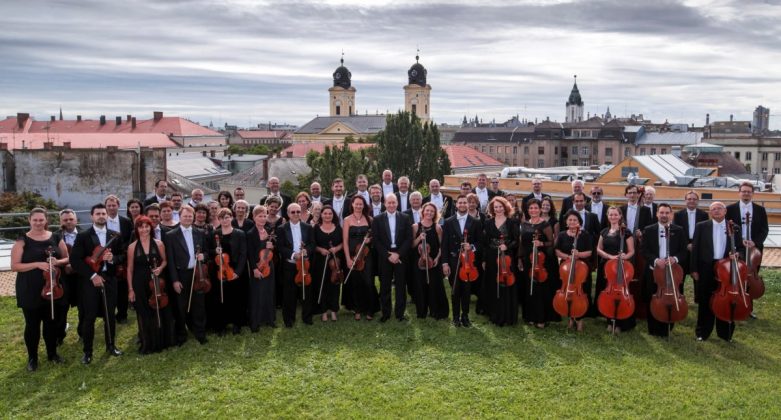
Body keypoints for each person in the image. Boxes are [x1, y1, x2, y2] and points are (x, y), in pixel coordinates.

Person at [11, 208, 70, 371]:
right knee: (32, 325)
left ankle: (52, 354)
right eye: (35, 220)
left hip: (53, 286)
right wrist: (37, 264)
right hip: (30, 287)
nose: (38, 223)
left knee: (51, 322)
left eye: (41, 220)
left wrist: (57, 262)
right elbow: (15, 266)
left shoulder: (56, 237)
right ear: (29, 221)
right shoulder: (22, 240)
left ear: (46, 221)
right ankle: (32, 358)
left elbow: (66, 258)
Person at [69, 203, 125, 364]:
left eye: (103, 213)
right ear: (92, 216)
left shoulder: (115, 235)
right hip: (90, 281)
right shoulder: (83, 236)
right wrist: (93, 275)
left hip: (110, 278)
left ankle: (111, 346)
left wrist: (113, 259)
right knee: (89, 317)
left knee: (110, 315)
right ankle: (88, 352)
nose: (101, 216)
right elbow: (75, 260)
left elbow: (122, 255)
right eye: (98, 213)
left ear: (107, 215)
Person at [692, 202, 745, 342]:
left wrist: (737, 254)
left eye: (719, 208)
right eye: (713, 209)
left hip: (726, 269)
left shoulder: (734, 227)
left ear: (725, 211)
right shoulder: (701, 226)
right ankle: (702, 332)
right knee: (705, 300)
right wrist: (694, 269)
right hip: (706, 268)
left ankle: (725, 334)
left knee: (727, 301)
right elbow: (695, 250)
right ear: (710, 212)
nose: (716, 211)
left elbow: (741, 248)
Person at [126, 215, 175, 353]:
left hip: (157, 281)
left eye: (147, 226)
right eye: (141, 227)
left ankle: (163, 341)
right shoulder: (132, 247)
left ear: (151, 228)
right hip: (139, 283)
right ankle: (148, 342)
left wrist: (160, 268)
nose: (144, 229)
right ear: (137, 229)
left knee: (161, 309)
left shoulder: (159, 243)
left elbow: (165, 260)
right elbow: (130, 269)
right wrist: (130, 289)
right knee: (144, 313)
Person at [165, 206, 210, 345]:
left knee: (199, 305)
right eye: (185, 216)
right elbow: (170, 261)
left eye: (190, 216)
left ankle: (200, 332)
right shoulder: (171, 235)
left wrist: (204, 256)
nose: (188, 218)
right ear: (180, 216)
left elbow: (207, 252)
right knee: (180, 306)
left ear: (194, 217)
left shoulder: (200, 232)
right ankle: (181, 334)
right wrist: (175, 280)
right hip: (181, 274)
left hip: (197, 273)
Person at [641, 203, 686, 337]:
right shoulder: (649, 229)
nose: (664, 215)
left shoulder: (679, 230)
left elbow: (684, 251)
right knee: (652, 298)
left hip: (672, 272)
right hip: (653, 271)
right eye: (661, 212)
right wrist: (655, 260)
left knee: (670, 299)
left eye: (667, 213)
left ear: (671, 214)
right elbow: (644, 250)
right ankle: (653, 328)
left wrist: (675, 259)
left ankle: (668, 326)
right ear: (657, 214)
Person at [441, 195, 482, 327]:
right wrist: (445, 263)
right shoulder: (448, 221)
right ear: (456, 205)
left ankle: (465, 316)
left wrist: (472, 247)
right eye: (461, 202)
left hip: (468, 262)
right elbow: (444, 244)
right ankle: (455, 317)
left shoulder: (475, 222)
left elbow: (480, 242)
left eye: (466, 202)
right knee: (455, 289)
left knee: (466, 289)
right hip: (453, 260)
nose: (463, 204)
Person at [372, 194, 412, 322]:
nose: (391, 205)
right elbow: (376, 240)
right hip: (385, 256)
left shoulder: (405, 218)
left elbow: (408, 238)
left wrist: (398, 254)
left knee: (401, 285)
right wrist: (388, 255)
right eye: (389, 203)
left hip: (401, 256)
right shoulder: (377, 219)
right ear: (385, 203)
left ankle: (400, 314)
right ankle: (386, 313)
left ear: (397, 203)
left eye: (393, 202)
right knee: (385, 286)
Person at [595, 206, 636, 333]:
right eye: (610, 215)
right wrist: (609, 257)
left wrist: (624, 257)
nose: (613, 217)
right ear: (608, 216)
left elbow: (631, 251)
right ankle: (609, 319)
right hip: (606, 266)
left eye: (615, 215)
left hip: (620, 267)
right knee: (607, 294)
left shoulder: (626, 232)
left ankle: (620, 323)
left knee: (619, 293)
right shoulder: (604, 231)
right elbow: (598, 249)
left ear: (620, 216)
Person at [275, 203, 315, 327]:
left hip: (305, 264)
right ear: (288, 214)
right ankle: (289, 320)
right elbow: (280, 247)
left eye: (298, 212)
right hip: (290, 265)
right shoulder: (281, 228)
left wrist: (306, 251)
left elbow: (312, 244)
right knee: (289, 294)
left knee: (307, 292)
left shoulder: (308, 227)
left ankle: (307, 318)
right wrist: (293, 255)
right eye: (293, 212)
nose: (296, 214)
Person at [481, 196, 519, 326]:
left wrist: (507, 246)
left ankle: (506, 313)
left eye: (500, 206)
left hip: (506, 257)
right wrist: (484, 259)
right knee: (493, 283)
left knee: (506, 284)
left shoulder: (512, 222)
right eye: (495, 207)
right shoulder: (487, 222)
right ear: (492, 209)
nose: (498, 209)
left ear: (505, 207)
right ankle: (494, 312)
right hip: (492, 256)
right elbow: (485, 243)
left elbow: (516, 240)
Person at [554, 210, 593, 331]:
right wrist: (568, 257)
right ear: (566, 222)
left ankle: (580, 319)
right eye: (570, 220)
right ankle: (571, 318)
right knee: (568, 292)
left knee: (581, 293)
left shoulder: (585, 235)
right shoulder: (561, 235)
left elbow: (590, 252)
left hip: (582, 269)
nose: (572, 222)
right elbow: (557, 250)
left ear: (579, 222)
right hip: (566, 267)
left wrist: (579, 254)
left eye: (575, 220)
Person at [518, 199, 554, 328]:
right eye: (531, 208)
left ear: (540, 209)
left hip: (540, 261)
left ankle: (541, 318)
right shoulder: (525, 224)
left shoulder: (545, 225)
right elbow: (521, 243)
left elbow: (552, 242)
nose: (533, 210)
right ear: (528, 210)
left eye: (535, 208)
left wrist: (542, 243)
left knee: (540, 290)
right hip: (528, 260)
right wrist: (519, 258)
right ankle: (530, 317)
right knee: (529, 288)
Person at [343, 195, 379, 320]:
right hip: (353, 256)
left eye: (360, 204)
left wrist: (370, 239)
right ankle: (357, 308)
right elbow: (345, 241)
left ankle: (370, 308)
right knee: (355, 283)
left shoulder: (370, 219)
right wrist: (347, 258)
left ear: (364, 205)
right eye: (356, 204)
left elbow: (375, 237)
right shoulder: (347, 220)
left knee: (368, 282)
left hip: (366, 255)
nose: (358, 206)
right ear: (352, 205)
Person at [213, 208, 247, 335]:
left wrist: (237, 272)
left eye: (227, 217)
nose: (225, 220)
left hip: (236, 270)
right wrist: (215, 252)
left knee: (236, 298)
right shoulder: (215, 234)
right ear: (219, 219)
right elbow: (211, 252)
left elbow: (243, 254)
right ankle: (222, 325)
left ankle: (237, 324)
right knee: (222, 299)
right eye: (222, 218)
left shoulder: (239, 233)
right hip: (221, 271)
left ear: (231, 218)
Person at [411, 203, 446, 320]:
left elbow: (442, 247)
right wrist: (418, 238)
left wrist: (437, 259)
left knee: (434, 286)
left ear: (435, 214)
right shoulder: (415, 227)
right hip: (419, 262)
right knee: (420, 286)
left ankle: (435, 311)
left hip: (433, 262)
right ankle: (422, 311)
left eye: (432, 211)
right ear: (423, 211)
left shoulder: (438, 228)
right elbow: (411, 245)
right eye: (427, 211)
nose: (429, 213)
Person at [673, 191, 709, 301]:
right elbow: (677, 232)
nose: (691, 201)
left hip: (698, 246)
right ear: (685, 201)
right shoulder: (678, 215)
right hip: (683, 247)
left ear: (697, 201)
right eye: (689, 199)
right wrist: (686, 244)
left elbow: (705, 232)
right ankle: (680, 297)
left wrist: (695, 244)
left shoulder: (704, 215)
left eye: (694, 199)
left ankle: (698, 298)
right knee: (681, 273)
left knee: (697, 273)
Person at [246, 205, 277, 330]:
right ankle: (255, 322)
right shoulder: (250, 233)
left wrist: (272, 246)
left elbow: (274, 249)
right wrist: (254, 269)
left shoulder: (269, 231)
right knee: (257, 294)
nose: (263, 218)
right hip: (257, 267)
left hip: (269, 266)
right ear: (254, 217)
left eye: (264, 216)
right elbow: (249, 253)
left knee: (269, 293)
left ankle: (269, 319)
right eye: (260, 216)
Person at [312, 205, 343, 322]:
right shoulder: (315, 228)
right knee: (323, 285)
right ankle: (324, 311)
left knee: (334, 285)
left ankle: (334, 310)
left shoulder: (338, 228)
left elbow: (342, 243)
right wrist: (321, 250)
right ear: (321, 215)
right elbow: (312, 245)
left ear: (333, 215)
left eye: (330, 213)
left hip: (336, 261)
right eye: (325, 213)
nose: (327, 216)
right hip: (321, 261)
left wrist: (336, 249)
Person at [105, 195, 133, 324]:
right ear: (106, 207)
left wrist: (122, 253)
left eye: (113, 205)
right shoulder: (101, 221)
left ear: (118, 206)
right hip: (106, 258)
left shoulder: (126, 222)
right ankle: (108, 313)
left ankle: (122, 314)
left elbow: (130, 239)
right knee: (109, 286)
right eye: (109, 205)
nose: (111, 208)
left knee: (122, 288)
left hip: (122, 258)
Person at [540, 196, 561, 322]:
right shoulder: (536, 218)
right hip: (537, 253)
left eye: (548, 205)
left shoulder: (555, 221)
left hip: (549, 253)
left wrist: (550, 249)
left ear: (551, 207)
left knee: (550, 279)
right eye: (543, 205)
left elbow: (556, 238)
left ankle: (551, 306)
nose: (545, 207)